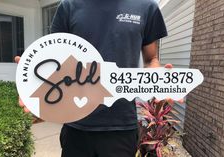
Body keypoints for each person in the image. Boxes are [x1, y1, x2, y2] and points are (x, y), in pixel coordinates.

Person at [16, 0, 181, 156]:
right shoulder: (69, 6)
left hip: (121, 127)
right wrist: (32, 80)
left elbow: (151, 59)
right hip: (75, 125)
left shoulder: (146, 6)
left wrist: (160, 82)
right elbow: (56, 57)